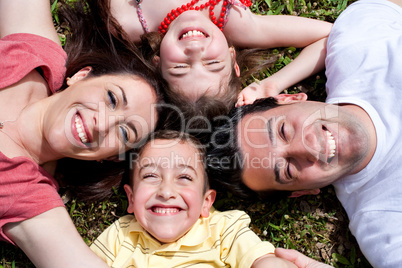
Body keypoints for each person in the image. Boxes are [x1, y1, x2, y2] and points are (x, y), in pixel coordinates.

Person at [207, 0, 402, 267]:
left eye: (284, 130)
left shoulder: (358, 42)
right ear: (303, 191)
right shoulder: (383, 226)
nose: (307, 148)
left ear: (288, 99)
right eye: (287, 170)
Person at [0, 0, 163, 267]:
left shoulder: (27, 196)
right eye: (111, 98)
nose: (102, 124)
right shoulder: (37, 57)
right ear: (81, 75)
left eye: (124, 133)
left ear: (109, 158)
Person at [68, 0, 331, 121]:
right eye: (213, 64)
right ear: (232, 57)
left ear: (157, 63)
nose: (195, 50)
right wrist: (271, 85)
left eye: (180, 67)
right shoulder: (234, 20)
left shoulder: (130, 22)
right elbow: (331, 37)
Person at [90, 130, 298, 267]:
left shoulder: (223, 230)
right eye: (151, 176)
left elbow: (262, 260)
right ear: (131, 198)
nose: (166, 191)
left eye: (184, 177)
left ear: (206, 202)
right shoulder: (120, 236)